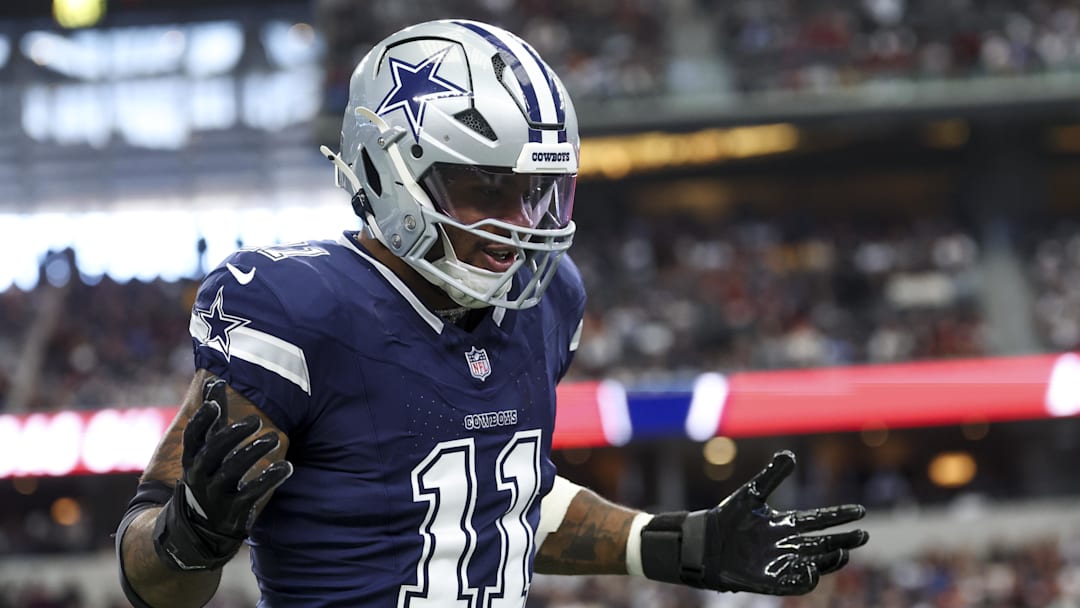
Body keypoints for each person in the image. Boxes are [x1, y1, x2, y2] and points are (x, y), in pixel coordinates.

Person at [115, 19, 869, 607]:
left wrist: (676, 543)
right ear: (386, 166)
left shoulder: (548, 300)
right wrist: (194, 532)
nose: (519, 226)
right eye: (485, 189)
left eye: (535, 193)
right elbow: (149, 581)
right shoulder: (295, 309)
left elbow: (502, 498)